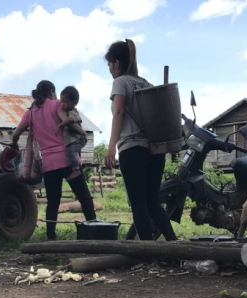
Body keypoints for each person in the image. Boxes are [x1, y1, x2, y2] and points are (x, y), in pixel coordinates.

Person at [104, 39, 177, 242]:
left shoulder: (121, 82)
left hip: (132, 150)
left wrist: (111, 147)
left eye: (110, 64)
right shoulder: (145, 83)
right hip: (155, 151)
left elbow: (118, 112)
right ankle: (173, 244)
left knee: (138, 204)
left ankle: (146, 253)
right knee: (153, 203)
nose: (109, 69)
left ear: (117, 63)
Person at [11, 80, 96, 240]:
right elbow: (69, 122)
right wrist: (82, 133)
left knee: (53, 202)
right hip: (68, 160)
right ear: (51, 92)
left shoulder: (30, 113)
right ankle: (95, 230)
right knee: (84, 197)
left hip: (49, 164)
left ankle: (51, 236)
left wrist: (14, 144)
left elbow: (15, 135)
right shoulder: (57, 105)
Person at [57, 85, 87, 179]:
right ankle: (76, 166)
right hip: (75, 139)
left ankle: (76, 169)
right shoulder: (68, 111)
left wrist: (60, 125)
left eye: (66, 102)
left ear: (74, 102)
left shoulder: (73, 112)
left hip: (79, 139)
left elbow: (69, 120)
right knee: (70, 151)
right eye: (62, 102)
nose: (63, 104)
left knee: (71, 151)